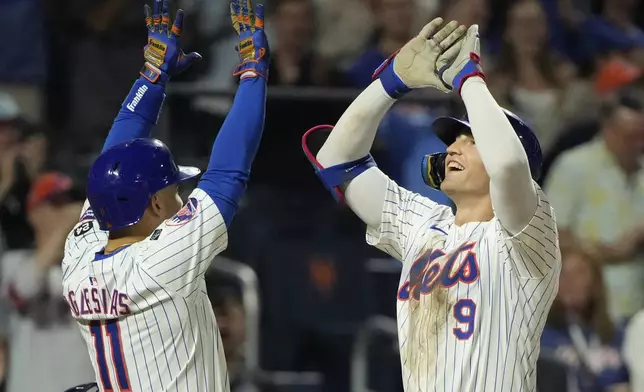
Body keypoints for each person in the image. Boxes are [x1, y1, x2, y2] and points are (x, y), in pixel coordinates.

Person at [302, 18, 561, 391]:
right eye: (454, 140)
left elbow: (507, 164)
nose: (453, 147)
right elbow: (336, 160)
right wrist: (391, 82)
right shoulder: (423, 223)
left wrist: (470, 80)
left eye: (471, 140)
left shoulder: (528, 230)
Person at [61, 0, 269, 390]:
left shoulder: (80, 255)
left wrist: (151, 77)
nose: (180, 201)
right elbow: (228, 172)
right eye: (174, 192)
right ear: (154, 203)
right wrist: (254, 71)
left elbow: (112, 161)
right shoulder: (162, 258)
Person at [544, 89, 644, 322]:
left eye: (643, 135)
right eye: (630, 136)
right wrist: (613, 251)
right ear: (608, 130)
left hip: (638, 308)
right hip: (591, 310)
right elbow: (552, 235)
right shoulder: (574, 166)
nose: (639, 144)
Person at [0, 172, 92, 392]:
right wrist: (63, 229)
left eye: (70, 202)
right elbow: (23, 290)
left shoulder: (93, 265)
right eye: (57, 203)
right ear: (34, 214)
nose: (68, 211)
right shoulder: (13, 262)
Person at [541, 247, 629, 392]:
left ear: (596, 284)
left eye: (579, 273)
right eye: (563, 273)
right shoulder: (542, 337)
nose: (569, 281)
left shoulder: (620, 334)